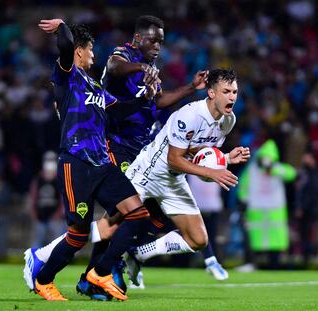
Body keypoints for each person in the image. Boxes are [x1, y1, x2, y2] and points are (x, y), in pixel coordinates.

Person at [30, 18, 159, 301]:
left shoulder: (95, 86)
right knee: (77, 235)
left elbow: (121, 110)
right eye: (90, 50)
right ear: (79, 51)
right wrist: (64, 27)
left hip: (101, 162)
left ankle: (99, 272)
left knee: (137, 214)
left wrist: (147, 98)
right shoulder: (66, 77)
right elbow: (64, 44)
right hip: (76, 161)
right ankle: (43, 279)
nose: (93, 55)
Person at [123, 68, 250, 285]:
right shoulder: (190, 114)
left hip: (174, 178)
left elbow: (200, 153)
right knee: (111, 224)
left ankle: (139, 253)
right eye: (226, 91)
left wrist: (226, 158)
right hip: (149, 171)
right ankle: (61, 263)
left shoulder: (228, 121)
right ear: (211, 93)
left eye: (235, 92)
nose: (232, 97)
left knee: (198, 240)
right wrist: (213, 172)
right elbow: (175, 158)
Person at [236, 139, 296, 271]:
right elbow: (244, 186)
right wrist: (243, 202)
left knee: (275, 241)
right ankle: (252, 264)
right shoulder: (252, 170)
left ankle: (274, 266)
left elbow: (291, 174)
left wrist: (273, 169)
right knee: (254, 238)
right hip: (256, 208)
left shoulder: (277, 169)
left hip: (274, 209)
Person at [187, 175, 227, 280]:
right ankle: (188, 263)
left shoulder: (216, 164)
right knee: (192, 236)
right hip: (195, 207)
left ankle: (213, 261)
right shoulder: (189, 167)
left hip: (212, 207)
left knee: (210, 237)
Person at [28, 150, 64, 248]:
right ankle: (34, 261)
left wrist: (58, 214)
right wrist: (33, 212)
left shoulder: (59, 179)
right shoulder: (38, 179)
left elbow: (63, 199)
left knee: (57, 243)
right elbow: (33, 197)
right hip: (40, 216)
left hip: (55, 219)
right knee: (37, 242)